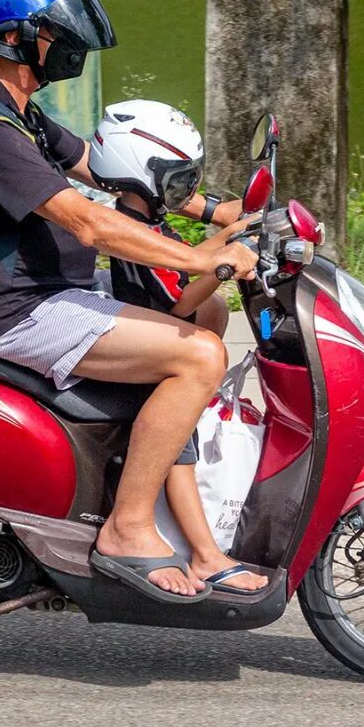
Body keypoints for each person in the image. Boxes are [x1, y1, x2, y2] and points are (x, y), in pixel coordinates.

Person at [0, 0, 257, 603]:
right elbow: (89, 224)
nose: (68, 46)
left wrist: (228, 214)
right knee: (198, 355)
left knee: (200, 324)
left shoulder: (16, 108)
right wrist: (200, 259)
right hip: (12, 310)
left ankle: (180, 514)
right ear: (16, 37)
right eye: (57, 33)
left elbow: (109, 169)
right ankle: (128, 527)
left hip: (48, 293)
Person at [89, 99, 268, 595]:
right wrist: (224, 265)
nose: (186, 191)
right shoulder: (135, 234)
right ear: (139, 174)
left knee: (215, 318)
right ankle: (208, 556)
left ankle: (206, 553)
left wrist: (232, 233)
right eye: (176, 180)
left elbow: (187, 261)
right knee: (179, 456)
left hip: (154, 335)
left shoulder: (144, 222)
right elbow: (179, 296)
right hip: (154, 360)